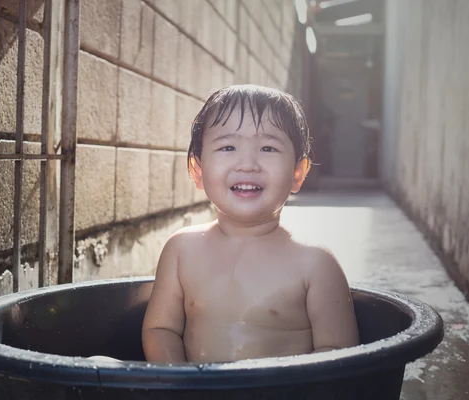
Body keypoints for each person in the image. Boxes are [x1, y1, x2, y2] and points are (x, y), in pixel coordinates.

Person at [141, 84, 359, 363]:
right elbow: (161, 328)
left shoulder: (314, 265)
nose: (247, 164)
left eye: (268, 148)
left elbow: (340, 355)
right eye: (227, 147)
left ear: (297, 173)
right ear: (197, 171)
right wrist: (176, 382)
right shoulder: (181, 250)